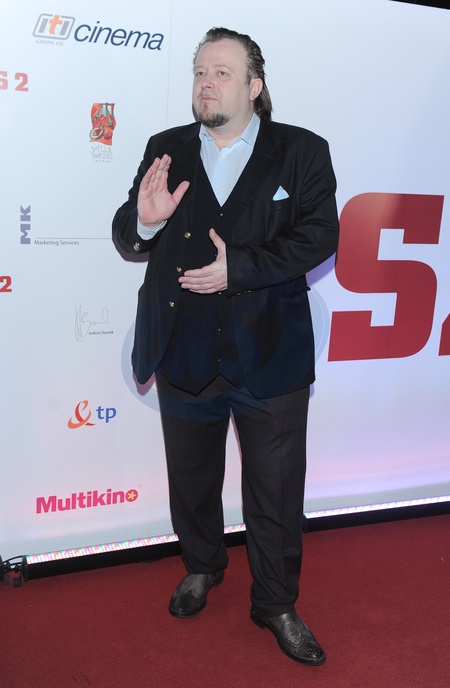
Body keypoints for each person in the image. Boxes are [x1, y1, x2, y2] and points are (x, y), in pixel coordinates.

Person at [112, 27, 339, 666]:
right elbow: (128, 233)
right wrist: (145, 220)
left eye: (221, 73)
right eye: (199, 72)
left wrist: (238, 268)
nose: (205, 84)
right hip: (183, 349)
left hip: (270, 353)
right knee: (191, 479)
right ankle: (202, 564)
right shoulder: (166, 149)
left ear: (254, 87)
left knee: (276, 491)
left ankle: (276, 603)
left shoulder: (301, 151)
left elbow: (320, 236)